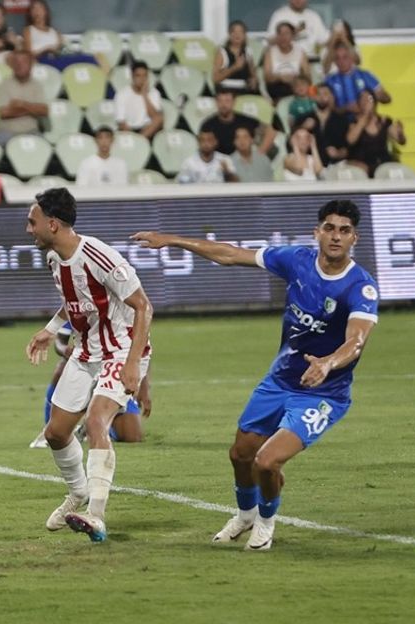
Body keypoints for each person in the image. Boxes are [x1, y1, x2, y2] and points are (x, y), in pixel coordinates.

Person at [133, 199, 379, 550]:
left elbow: (356, 341)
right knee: (240, 455)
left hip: (323, 393)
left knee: (267, 462)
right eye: (329, 228)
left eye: (344, 230)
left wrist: (326, 363)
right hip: (279, 381)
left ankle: (265, 523)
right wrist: (171, 239)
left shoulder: (360, 287)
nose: (335, 236)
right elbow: (230, 254)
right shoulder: (297, 261)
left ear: (355, 238)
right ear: (317, 232)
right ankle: (245, 516)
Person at [24, 187, 153, 543]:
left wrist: (132, 366)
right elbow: (75, 301)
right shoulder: (54, 258)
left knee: (97, 421)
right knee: (55, 433)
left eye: (32, 222)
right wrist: (50, 331)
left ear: (52, 224)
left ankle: (95, 515)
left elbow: (144, 307)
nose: (28, 229)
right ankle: (78, 495)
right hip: (85, 353)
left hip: (120, 352)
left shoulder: (100, 256)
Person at [28, 323, 150, 449]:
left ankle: (93, 428)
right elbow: (60, 341)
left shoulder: (124, 312)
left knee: (132, 437)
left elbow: (142, 347)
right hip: (87, 367)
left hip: (116, 368)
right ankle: (51, 425)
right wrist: (65, 350)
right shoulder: (81, 306)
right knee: (62, 368)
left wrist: (145, 388)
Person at [344, 89, 405, 177]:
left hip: (382, 161)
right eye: (363, 99)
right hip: (361, 162)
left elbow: (401, 141)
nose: (366, 102)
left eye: (369, 99)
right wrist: (364, 117)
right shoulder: (353, 122)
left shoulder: (384, 121)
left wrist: (400, 134)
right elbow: (350, 140)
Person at [0, 50, 48, 146]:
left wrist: (22, 104)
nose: (20, 65)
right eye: (16, 62)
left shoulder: (37, 85)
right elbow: (4, 113)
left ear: (31, 64)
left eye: (24, 62)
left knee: (42, 148)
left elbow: (44, 111)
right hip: (7, 132)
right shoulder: (4, 85)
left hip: (31, 131)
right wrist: (32, 109)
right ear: (12, 65)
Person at [200, 88, 275, 157]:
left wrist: (260, 153)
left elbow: (271, 130)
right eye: (220, 101)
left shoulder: (246, 121)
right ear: (216, 103)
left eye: (227, 101)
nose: (223, 105)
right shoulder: (208, 125)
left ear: (234, 102)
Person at [324, 44, 390, 115]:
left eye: (345, 57)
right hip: (341, 122)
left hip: (366, 120)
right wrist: (345, 108)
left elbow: (386, 98)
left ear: (352, 58)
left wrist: (370, 98)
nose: (341, 61)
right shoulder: (330, 80)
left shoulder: (365, 76)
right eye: (337, 58)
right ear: (334, 61)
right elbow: (325, 108)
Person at [114, 61, 163, 140]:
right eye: (138, 76)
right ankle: (138, 142)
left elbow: (155, 117)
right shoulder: (122, 94)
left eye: (145, 76)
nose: (142, 79)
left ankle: (140, 141)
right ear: (132, 76)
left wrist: (145, 95)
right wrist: (129, 133)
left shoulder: (154, 93)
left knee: (159, 119)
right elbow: (121, 121)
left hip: (147, 131)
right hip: (129, 130)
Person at [262, 22, 310, 103]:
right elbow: (267, 77)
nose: (283, 37)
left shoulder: (300, 52)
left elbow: (308, 76)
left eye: (286, 33)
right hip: (276, 86)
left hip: (295, 87)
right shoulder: (270, 52)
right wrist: (281, 77)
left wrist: (295, 79)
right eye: (280, 34)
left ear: (292, 36)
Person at [306, 84, 350, 166]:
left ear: (331, 97)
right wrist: (303, 127)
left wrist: (338, 153)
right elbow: (291, 142)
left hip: (335, 165)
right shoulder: (305, 119)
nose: (322, 97)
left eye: (325, 94)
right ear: (314, 97)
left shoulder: (342, 120)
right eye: (318, 94)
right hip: (309, 164)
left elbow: (347, 147)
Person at [213, 20, 259, 95]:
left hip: (244, 89)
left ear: (244, 35)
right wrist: (234, 67)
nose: (237, 35)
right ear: (229, 34)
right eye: (234, 32)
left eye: (240, 32)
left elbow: (253, 74)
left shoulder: (248, 52)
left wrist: (254, 80)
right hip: (226, 89)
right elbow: (215, 78)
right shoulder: (222, 52)